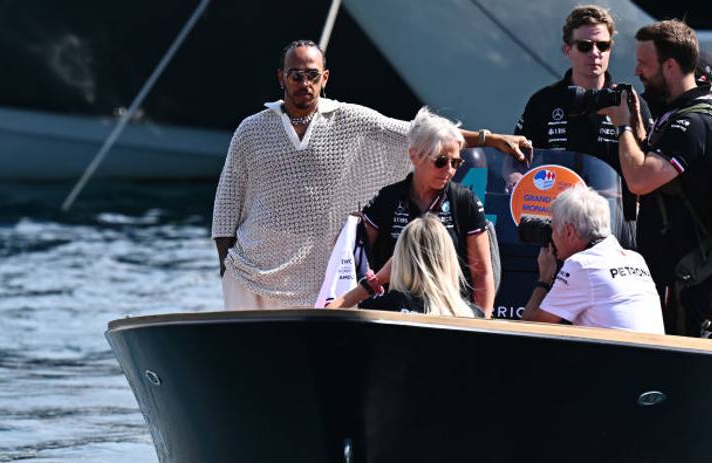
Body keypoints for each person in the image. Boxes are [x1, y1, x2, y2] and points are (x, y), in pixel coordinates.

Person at [212, 40, 532, 310]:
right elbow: (227, 204)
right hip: (249, 275)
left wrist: (491, 139)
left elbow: (418, 133)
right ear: (282, 77)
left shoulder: (351, 119)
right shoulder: (251, 129)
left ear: (325, 77)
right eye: (296, 75)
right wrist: (227, 265)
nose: (304, 82)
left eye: (312, 74)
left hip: (321, 277)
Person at [607, 20, 712, 336]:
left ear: (670, 65)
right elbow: (656, 162)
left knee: (680, 356)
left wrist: (622, 126)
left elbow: (640, 180)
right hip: (671, 268)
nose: (637, 71)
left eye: (644, 63)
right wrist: (637, 124)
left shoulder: (694, 123)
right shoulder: (677, 112)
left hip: (684, 274)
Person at [512, 5, 652, 233]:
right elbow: (516, 156)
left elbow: (649, 165)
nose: (595, 53)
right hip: (558, 224)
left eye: (603, 46)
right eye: (585, 46)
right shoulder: (544, 101)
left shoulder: (630, 102)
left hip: (614, 226)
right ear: (567, 49)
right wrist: (515, 178)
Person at [355, 107, 495, 316]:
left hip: (448, 315)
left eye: (456, 162)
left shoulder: (464, 201)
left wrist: (481, 323)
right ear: (414, 156)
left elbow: (482, 273)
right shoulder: (388, 197)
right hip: (394, 314)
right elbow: (357, 258)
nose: (449, 170)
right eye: (441, 161)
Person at [523, 186, 664, 333]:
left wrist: (545, 278)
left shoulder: (581, 265)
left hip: (617, 348)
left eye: (552, 229)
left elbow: (530, 328)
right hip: (651, 347)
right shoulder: (635, 259)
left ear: (569, 232)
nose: (551, 236)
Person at [326, 217, 481, 317]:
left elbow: (324, 320)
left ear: (399, 260)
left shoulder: (385, 308)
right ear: (449, 260)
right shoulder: (473, 315)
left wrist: (373, 283)